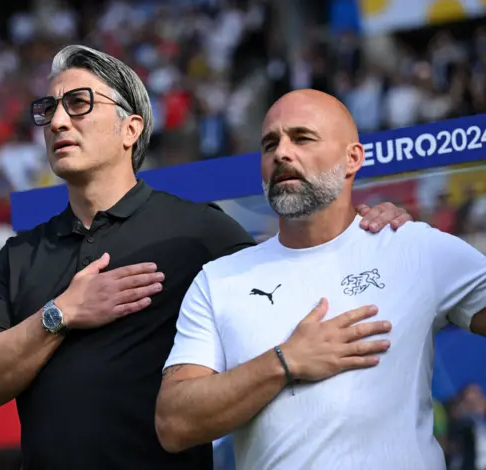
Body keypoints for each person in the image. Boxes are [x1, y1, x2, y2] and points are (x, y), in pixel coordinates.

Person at [0, 46, 412, 470]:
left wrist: (364, 228)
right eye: (48, 108)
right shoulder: (19, 254)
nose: (57, 122)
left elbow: (300, 282)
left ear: (130, 129)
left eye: (78, 103)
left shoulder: (199, 232)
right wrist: (63, 312)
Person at [155, 89, 486, 470]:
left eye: (302, 138)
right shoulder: (219, 279)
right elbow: (173, 423)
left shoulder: (415, 247)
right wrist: (285, 362)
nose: (281, 153)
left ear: (352, 159)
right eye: (269, 144)